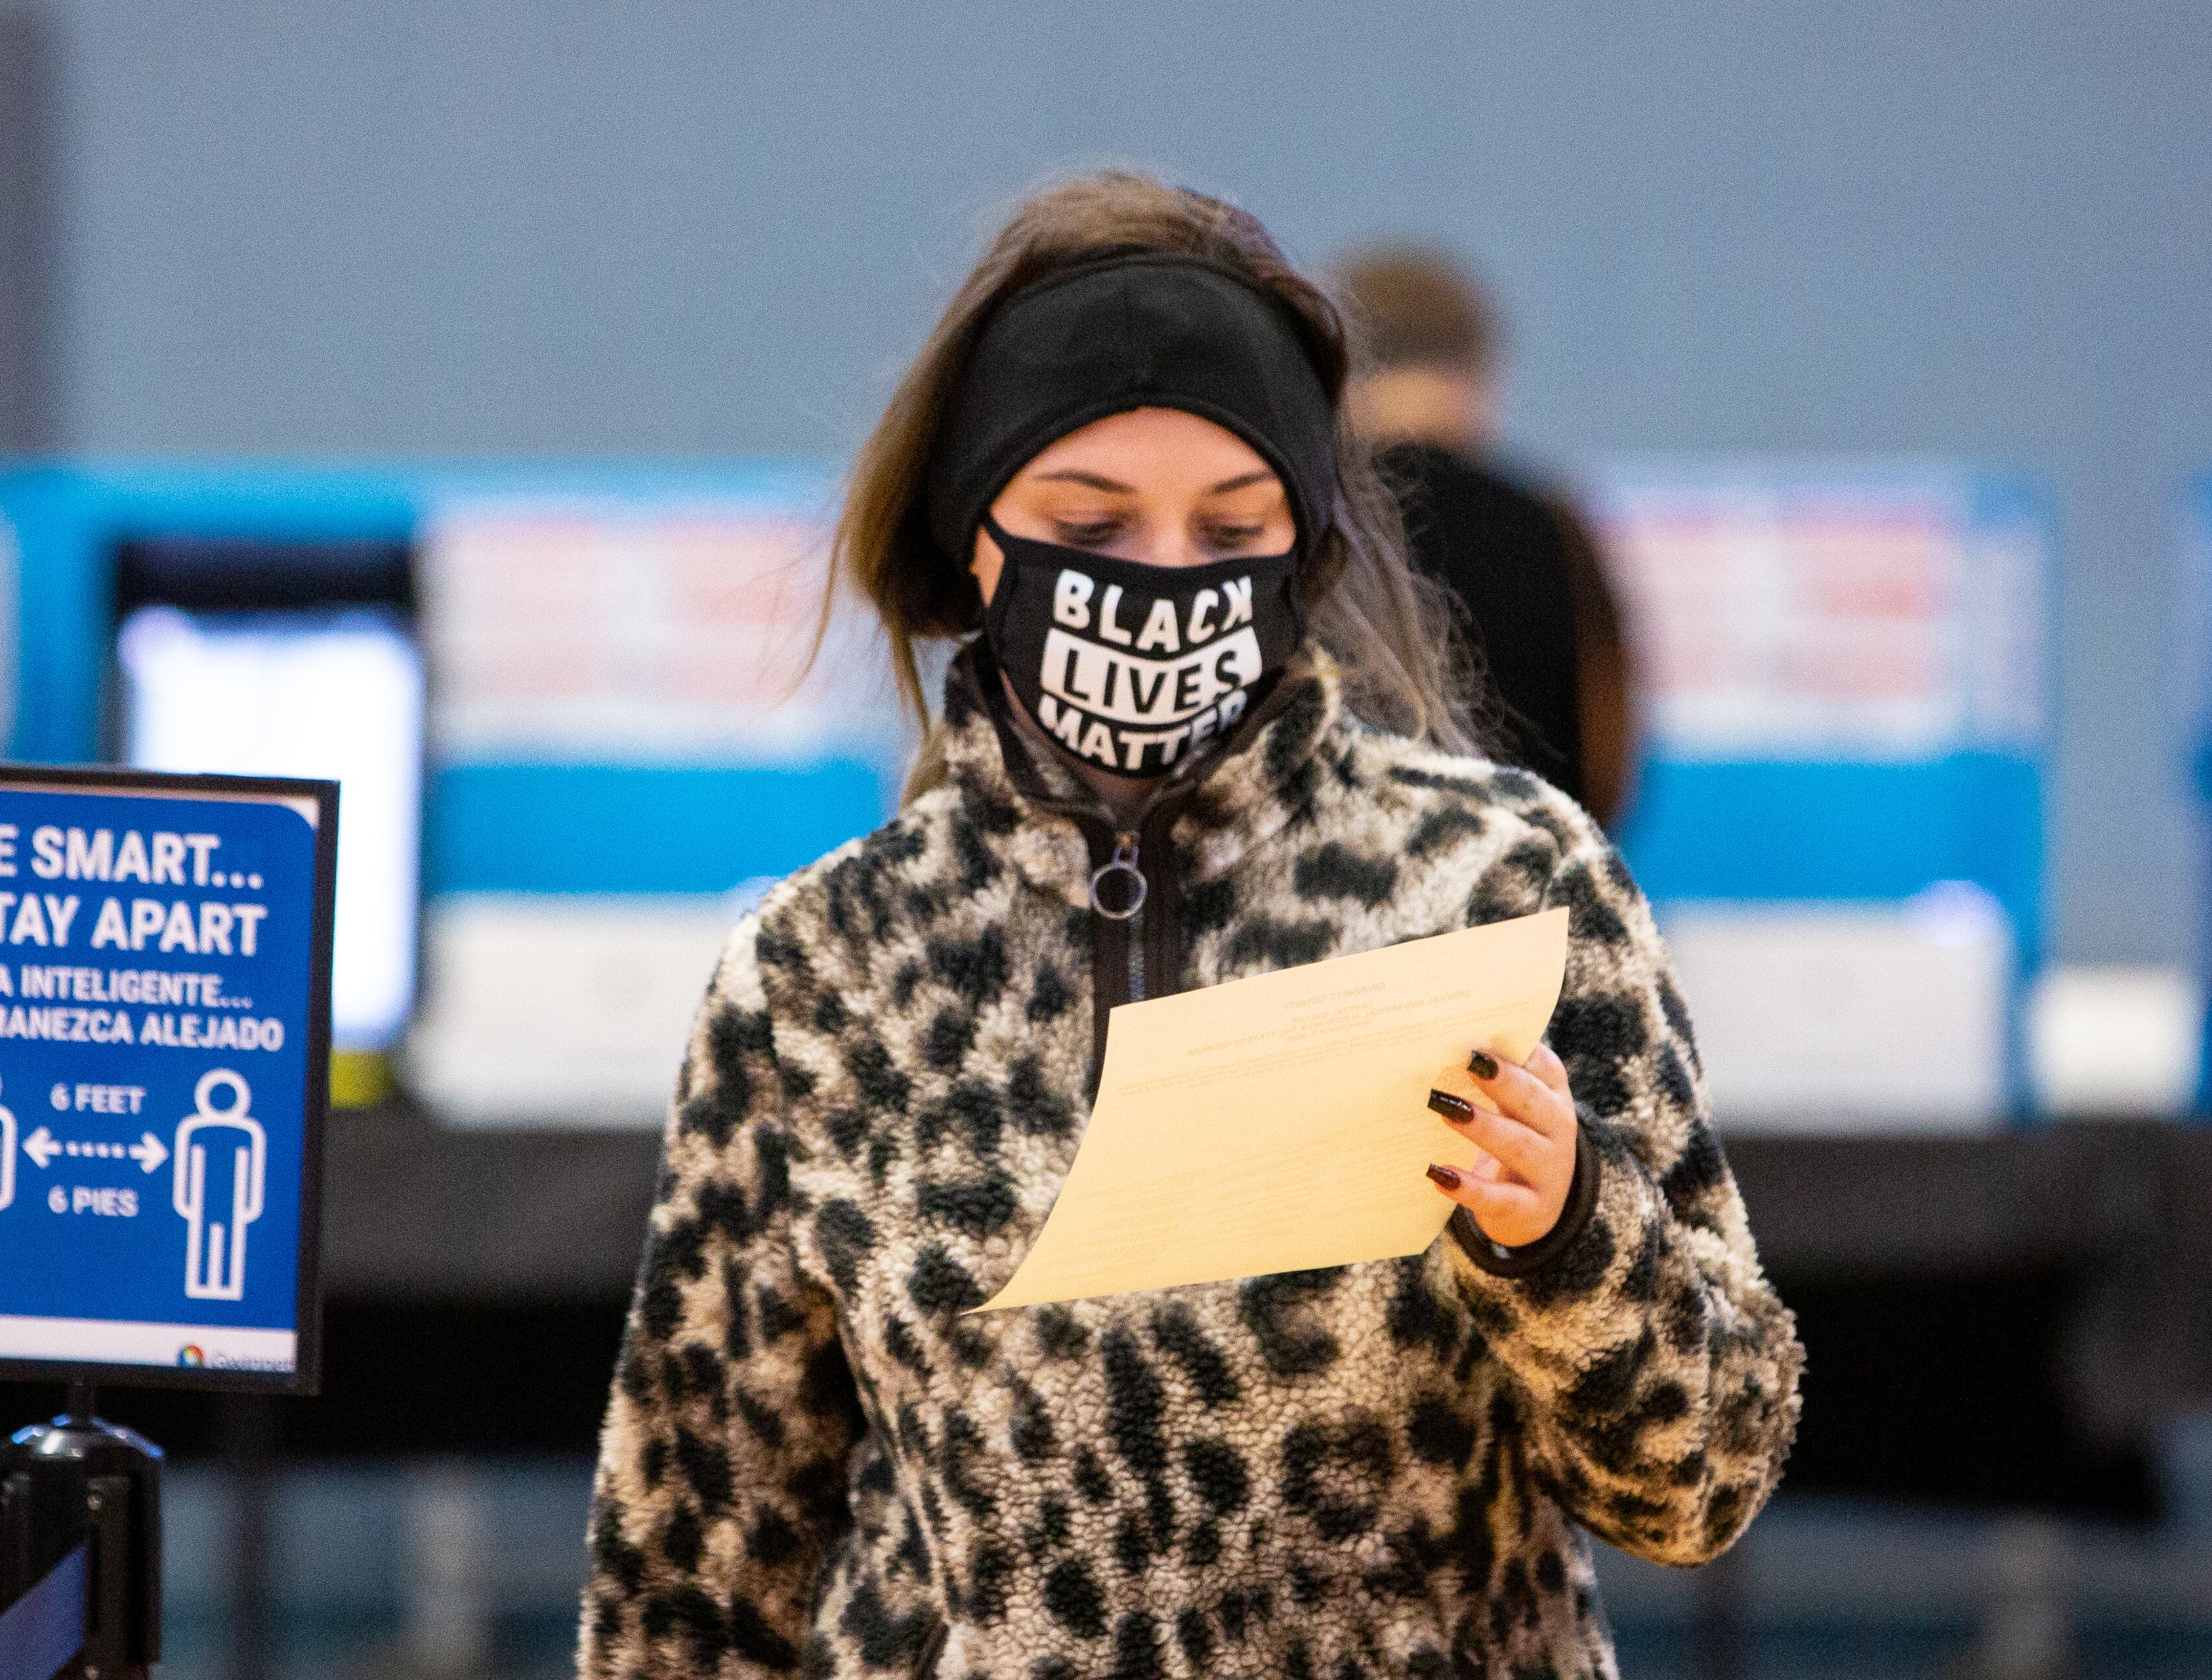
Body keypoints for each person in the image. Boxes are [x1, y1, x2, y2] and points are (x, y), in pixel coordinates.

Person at [577, 173, 1800, 1680]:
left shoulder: (1503, 881)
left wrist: (1566, 1230)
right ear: (970, 536)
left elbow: (1702, 1484)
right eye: (1087, 519)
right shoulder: (815, 976)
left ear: (1302, 550)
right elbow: (685, 1577)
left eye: (1229, 520)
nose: (1159, 575)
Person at [1332, 246, 1639, 828]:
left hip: (1342, 886)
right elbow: (1607, 750)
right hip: (1527, 880)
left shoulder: (1306, 519)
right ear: (1482, 375)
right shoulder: (1552, 525)